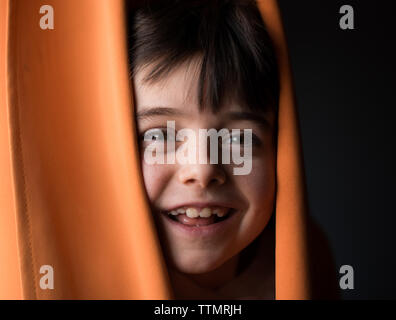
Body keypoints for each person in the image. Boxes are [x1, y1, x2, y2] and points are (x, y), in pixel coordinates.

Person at [128, 0, 337, 299]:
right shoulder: (72, 272)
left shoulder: (307, 259)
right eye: (161, 135)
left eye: (238, 139)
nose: (203, 170)